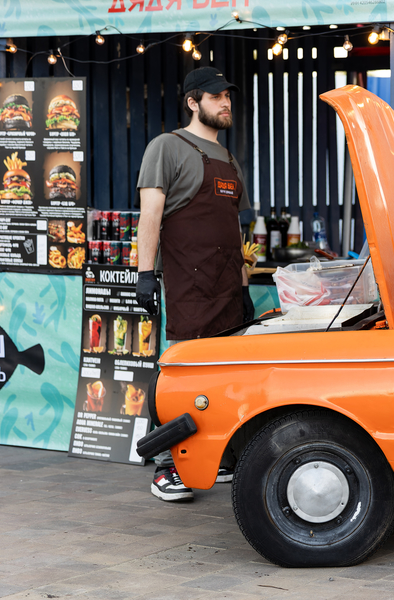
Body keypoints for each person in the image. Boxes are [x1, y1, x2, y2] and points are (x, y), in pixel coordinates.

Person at [135, 67, 254, 502]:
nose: (225, 103)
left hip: (226, 286)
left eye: (228, 96)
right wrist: (145, 275)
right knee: (183, 379)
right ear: (192, 102)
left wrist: (242, 288)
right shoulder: (167, 147)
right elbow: (150, 217)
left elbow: (233, 233)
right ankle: (169, 468)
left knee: (221, 379)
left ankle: (214, 456)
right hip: (188, 284)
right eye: (215, 96)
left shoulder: (229, 159)